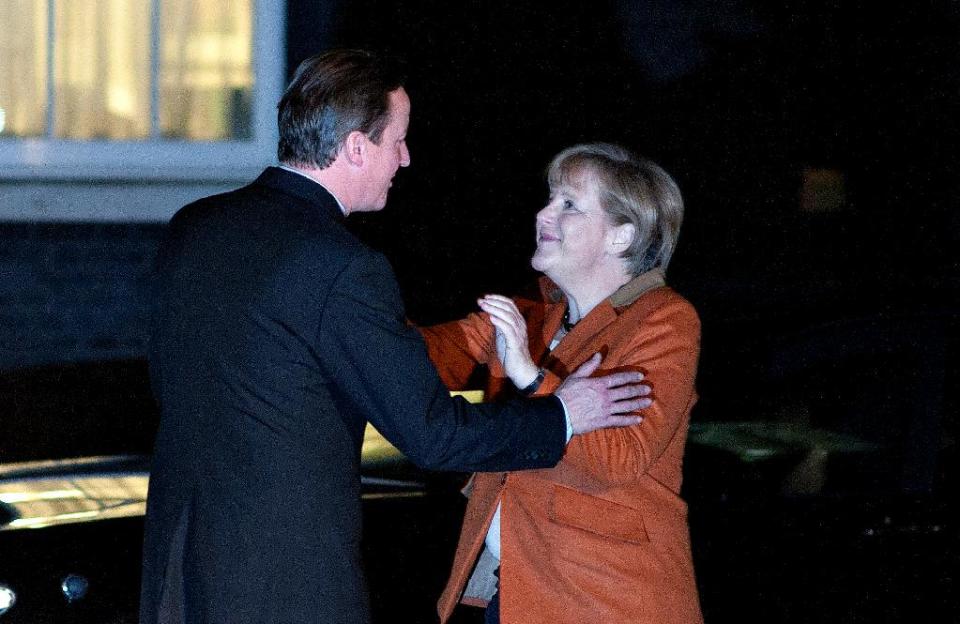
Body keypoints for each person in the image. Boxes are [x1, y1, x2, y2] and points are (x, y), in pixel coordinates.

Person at [140, 51, 651, 624]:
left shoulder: (195, 227)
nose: (405, 160)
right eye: (397, 142)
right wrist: (562, 415)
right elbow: (431, 434)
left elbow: (180, 384)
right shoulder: (339, 265)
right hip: (284, 584)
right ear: (357, 147)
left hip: (178, 575)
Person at [422, 143, 703, 623]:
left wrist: (534, 381)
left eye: (568, 204)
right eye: (550, 198)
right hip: (518, 594)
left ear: (621, 236)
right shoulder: (535, 319)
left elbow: (620, 456)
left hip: (608, 602)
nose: (543, 213)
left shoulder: (665, 320)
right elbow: (416, 356)